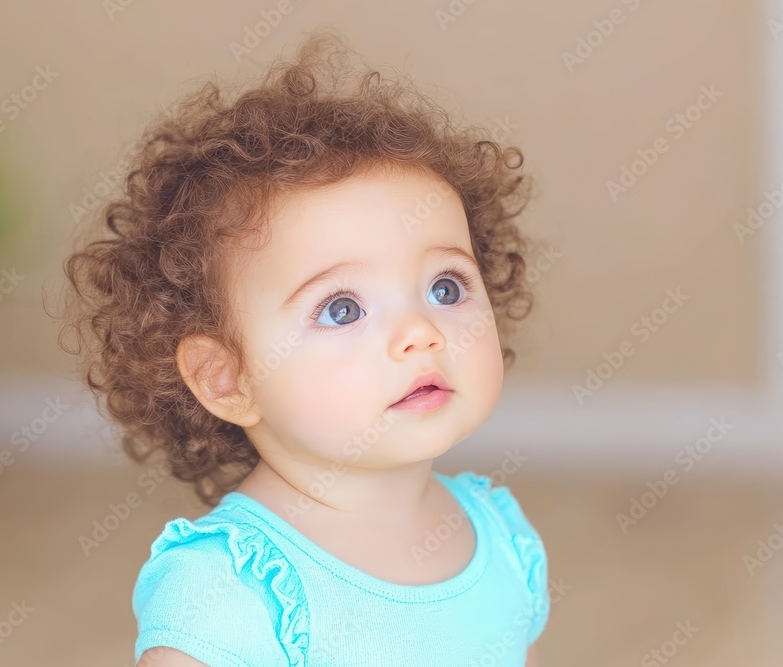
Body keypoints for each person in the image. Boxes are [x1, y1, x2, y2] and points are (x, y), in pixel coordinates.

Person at [61, 28, 549, 667]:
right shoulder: (228, 593)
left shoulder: (503, 537)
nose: (420, 332)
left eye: (446, 287)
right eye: (342, 309)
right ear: (227, 379)